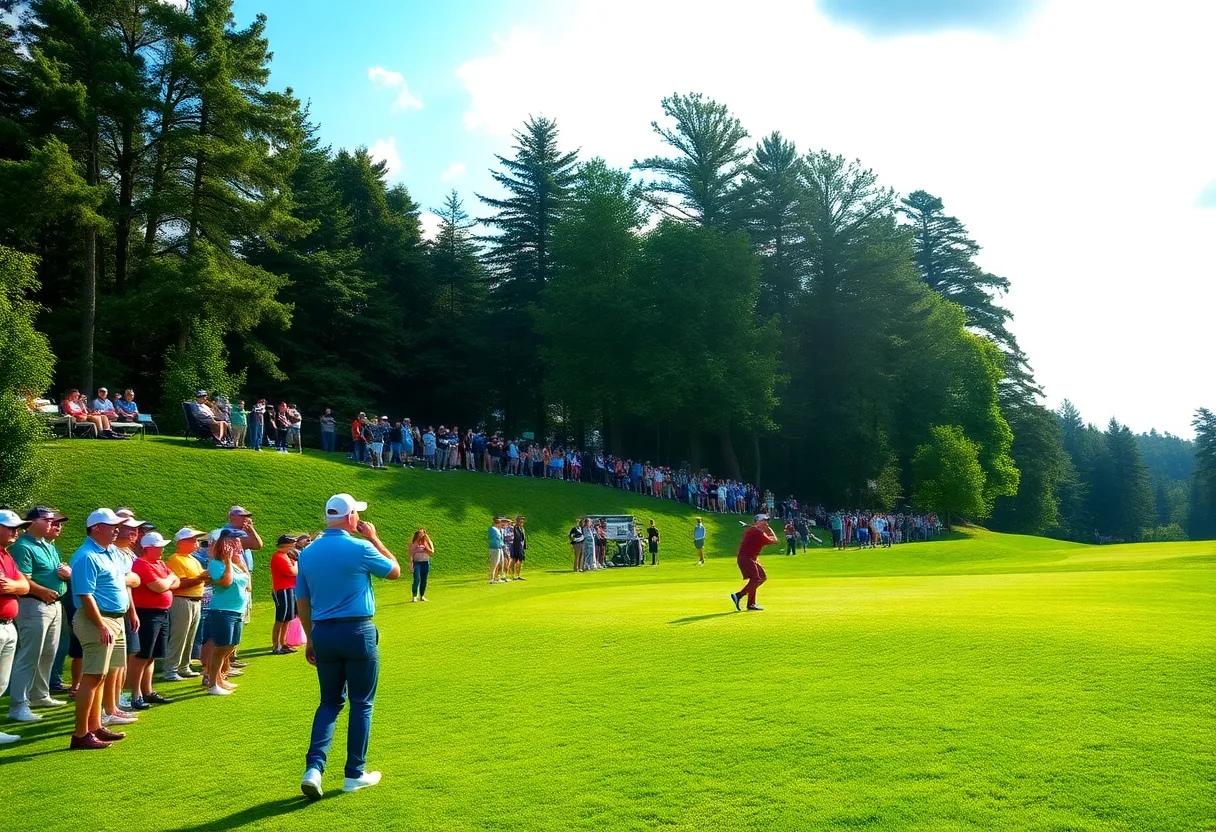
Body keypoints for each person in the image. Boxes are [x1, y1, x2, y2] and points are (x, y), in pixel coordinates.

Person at [297, 492, 401, 799]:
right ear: (351, 516)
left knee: (329, 702)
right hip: (357, 631)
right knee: (361, 703)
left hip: (324, 633)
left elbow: (302, 600)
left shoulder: (308, 553)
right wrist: (376, 539)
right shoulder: (361, 546)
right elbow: (394, 571)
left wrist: (310, 638)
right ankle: (354, 773)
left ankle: (314, 768)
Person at [68, 508, 131, 750]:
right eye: (111, 525)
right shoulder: (86, 556)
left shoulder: (109, 552)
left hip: (112, 619)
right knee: (92, 677)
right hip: (97, 620)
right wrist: (101, 624)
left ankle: (94, 727)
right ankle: (81, 734)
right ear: (96, 528)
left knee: (101, 676)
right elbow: (85, 595)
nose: (117, 529)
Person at [8, 507, 70, 723]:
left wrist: (65, 573)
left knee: (48, 653)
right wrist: (42, 591)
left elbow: (59, 569)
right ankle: (18, 705)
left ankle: (40, 695)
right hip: (33, 606)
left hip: (53, 605)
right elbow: (24, 580)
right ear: (33, 522)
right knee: (29, 655)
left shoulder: (49, 546)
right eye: (47, 520)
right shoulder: (23, 547)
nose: (52, 524)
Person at [128, 532, 179, 709]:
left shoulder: (159, 563)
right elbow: (159, 587)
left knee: (151, 656)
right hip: (147, 614)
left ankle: (147, 691)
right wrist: (169, 579)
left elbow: (176, 581)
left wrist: (168, 580)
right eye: (158, 547)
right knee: (142, 655)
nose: (162, 550)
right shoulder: (141, 564)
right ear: (148, 548)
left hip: (161, 613)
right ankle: (135, 694)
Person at [205, 528, 250, 695]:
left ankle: (220, 678)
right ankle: (212, 683)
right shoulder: (216, 564)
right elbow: (226, 582)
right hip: (223, 610)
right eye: (235, 540)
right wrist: (228, 560)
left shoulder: (236, 563)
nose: (238, 543)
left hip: (237, 610)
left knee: (230, 646)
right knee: (221, 646)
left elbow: (247, 583)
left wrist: (235, 560)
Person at [0, 510, 32, 743]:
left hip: (9, 625)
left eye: (17, 527)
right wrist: (16, 585)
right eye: (10, 527)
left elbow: (23, 585)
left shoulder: (7, 556)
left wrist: (15, 585)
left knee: (1, 682)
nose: (16, 531)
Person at [163, 528, 209, 681]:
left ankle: (184, 666)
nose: (195, 543)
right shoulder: (175, 559)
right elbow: (179, 584)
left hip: (194, 600)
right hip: (182, 600)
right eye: (192, 540)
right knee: (179, 636)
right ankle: (171, 669)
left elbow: (199, 578)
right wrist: (201, 578)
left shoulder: (192, 559)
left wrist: (204, 577)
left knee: (189, 636)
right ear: (181, 542)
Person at [730, 513, 779, 612]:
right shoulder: (757, 533)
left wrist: (766, 530)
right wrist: (771, 531)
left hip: (750, 558)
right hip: (746, 558)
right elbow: (775, 541)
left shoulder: (755, 531)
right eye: (764, 521)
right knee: (756, 579)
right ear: (758, 522)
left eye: (767, 521)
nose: (766, 523)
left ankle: (751, 604)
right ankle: (738, 595)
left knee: (761, 577)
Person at [270, 534, 299, 654]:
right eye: (291, 544)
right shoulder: (279, 557)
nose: (293, 546)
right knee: (280, 618)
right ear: (285, 545)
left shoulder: (286, 556)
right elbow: (292, 572)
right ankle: (276, 645)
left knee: (288, 618)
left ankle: (283, 643)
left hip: (290, 588)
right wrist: (296, 563)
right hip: (282, 589)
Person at [409, 528, 433, 601]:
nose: (422, 534)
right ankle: (414, 596)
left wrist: (428, 540)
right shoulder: (413, 544)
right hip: (417, 563)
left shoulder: (426, 543)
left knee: (424, 580)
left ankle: (422, 596)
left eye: (423, 533)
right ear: (417, 534)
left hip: (425, 563)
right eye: (420, 533)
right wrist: (411, 564)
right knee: (417, 579)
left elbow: (432, 551)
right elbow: (410, 554)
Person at [488, 516, 506, 584]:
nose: (501, 524)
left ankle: (495, 578)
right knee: (494, 564)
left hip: (498, 548)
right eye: (500, 522)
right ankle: (491, 579)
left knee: (497, 563)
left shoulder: (497, 529)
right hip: (494, 548)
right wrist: (500, 545)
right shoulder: (492, 529)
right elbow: (496, 539)